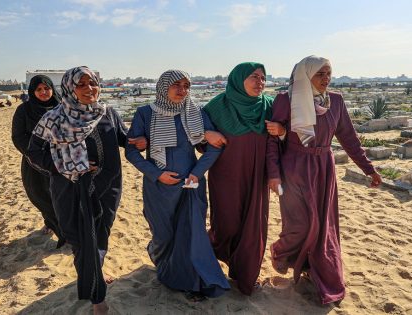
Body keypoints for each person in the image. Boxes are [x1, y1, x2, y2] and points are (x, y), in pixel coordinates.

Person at [266, 55, 382, 305]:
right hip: (294, 167)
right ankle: (281, 252)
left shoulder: (336, 102)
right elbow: (273, 141)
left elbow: (349, 138)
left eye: (328, 73)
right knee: (301, 224)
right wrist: (273, 175)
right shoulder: (286, 100)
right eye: (320, 74)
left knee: (322, 226)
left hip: (323, 168)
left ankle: (318, 272)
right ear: (305, 75)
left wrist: (368, 169)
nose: (326, 79)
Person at [27, 66, 130, 315]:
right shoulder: (54, 118)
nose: (89, 89)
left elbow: (125, 139)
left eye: (92, 83)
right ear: (69, 88)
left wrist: (149, 136)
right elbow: (33, 153)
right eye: (81, 84)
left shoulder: (107, 113)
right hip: (69, 188)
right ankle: (97, 297)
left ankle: (94, 273)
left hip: (107, 185)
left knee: (101, 233)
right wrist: (68, 166)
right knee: (81, 239)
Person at [126, 70, 230, 302]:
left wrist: (196, 173)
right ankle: (161, 261)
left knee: (192, 235)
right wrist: (156, 174)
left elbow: (215, 146)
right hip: (158, 188)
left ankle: (191, 282)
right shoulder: (145, 114)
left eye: (186, 85)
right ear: (163, 87)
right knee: (163, 236)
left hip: (190, 186)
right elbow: (131, 150)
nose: (182, 90)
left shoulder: (195, 113)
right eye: (176, 85)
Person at [203, 62, 274, 295]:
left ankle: (245, 274)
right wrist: (205, 133)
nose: (260, 82)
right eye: (254, 77)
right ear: (238, 79)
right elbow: (194, 136)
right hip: (226, 176)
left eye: (263, 78)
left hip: (258, 177)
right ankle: (213, 259)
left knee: (254, 226)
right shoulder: (217, 106)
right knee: (227, 224)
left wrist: (281, 131)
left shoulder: (269, 106)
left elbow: (282, 140)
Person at [12, 75, 64, 244]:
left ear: (52, 89)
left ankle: (64, 228)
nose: (43, 92)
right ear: (32, 91)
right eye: (39, 89)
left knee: (61, 196)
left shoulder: (62, 107)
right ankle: (50, 222)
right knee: (40, 194)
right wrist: (35, 152)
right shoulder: (24, 110)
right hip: (34, 161)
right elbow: (18, 136)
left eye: (46, 88)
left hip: (61, 160)